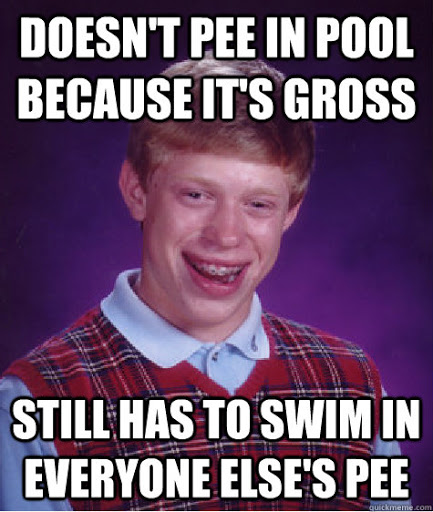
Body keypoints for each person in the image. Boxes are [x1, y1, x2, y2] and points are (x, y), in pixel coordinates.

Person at [1, 54, 405, 511]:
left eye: (258, 204)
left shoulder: (352, 385)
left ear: (290, 213)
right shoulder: (37, 404)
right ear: (137, 191)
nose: (226, 235)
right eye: (196, 195)